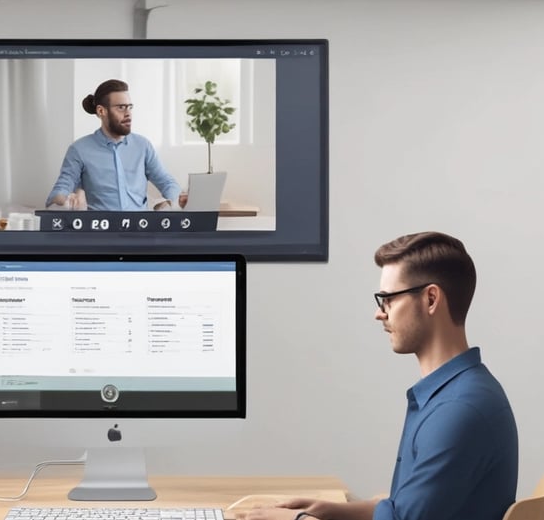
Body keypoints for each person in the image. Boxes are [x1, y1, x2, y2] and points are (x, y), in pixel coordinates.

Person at [240, 231, 518, 520]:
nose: (379, 313)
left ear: (431, 299)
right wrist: (326, 511)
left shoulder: (458, 411)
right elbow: (401, 511)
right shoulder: (457, 393)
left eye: (388, 299)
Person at [45, 79, 183, 211]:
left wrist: (169, 202)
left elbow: (167, 182)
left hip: (140, 229)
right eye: (121, 108)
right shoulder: (79, 150)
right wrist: (65, 201)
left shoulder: (143, 146)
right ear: (101, 111)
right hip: (101, 230)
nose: (128, 114)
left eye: (130, 107)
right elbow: (60, 190)